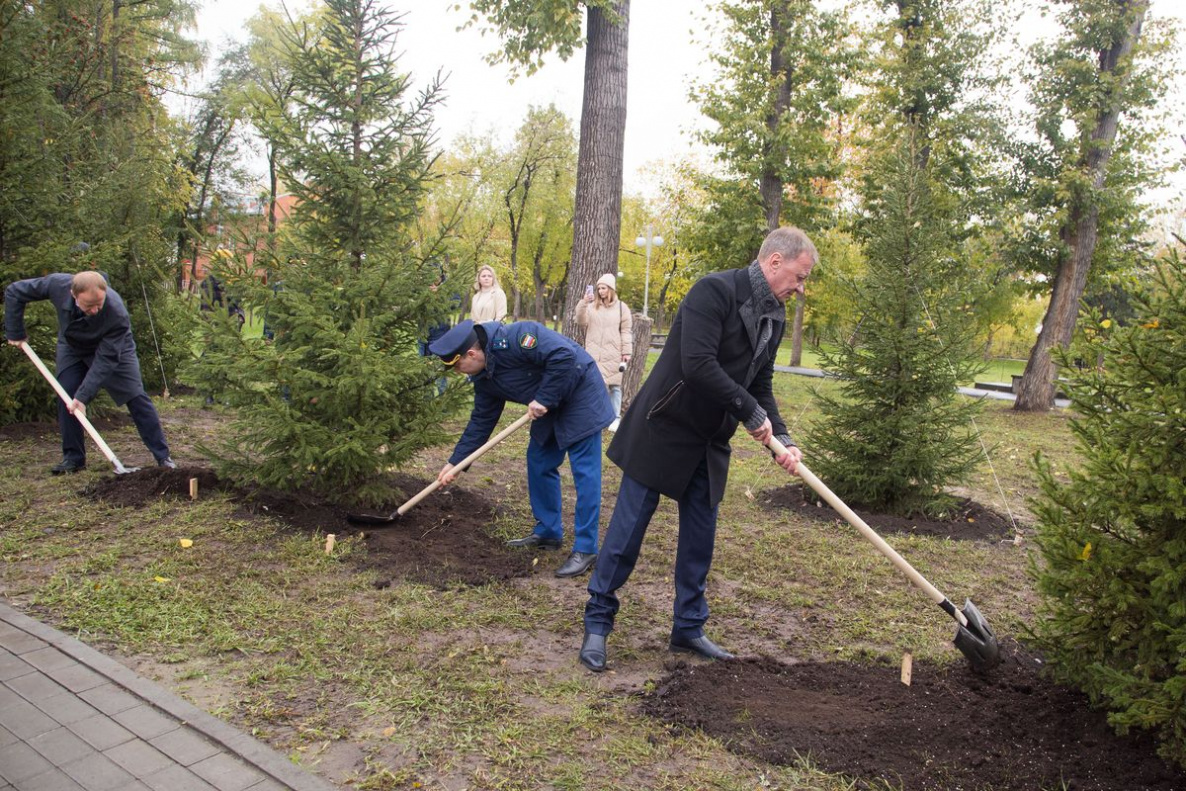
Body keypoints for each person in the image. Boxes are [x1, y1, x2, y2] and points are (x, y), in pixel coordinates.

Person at [578, 227, 817, 672]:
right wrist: (749, 412)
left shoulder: (774, 316)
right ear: (776, 262)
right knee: (627, 533)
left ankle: (688, 627)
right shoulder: (715, 291)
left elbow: (760, 384)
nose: (801, 289)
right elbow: (698, 364)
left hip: (710, 438)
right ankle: (598, 621)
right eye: (800, 277)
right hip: (664, 426)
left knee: (699, 540)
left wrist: (782, 438)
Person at [429, 318, 615, 578]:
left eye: (459, 366)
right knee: (539, 462)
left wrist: (544, 398)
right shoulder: (484, 378)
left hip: (579, 395)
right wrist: (456, 463)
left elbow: (565, 356)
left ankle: (586, 549)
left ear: (471, 353)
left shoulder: (520, 336)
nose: (460, 372)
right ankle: (548, 532)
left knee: (585, 473)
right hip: (546, 404)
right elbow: (481, 423)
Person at [4, 271, 176, 474]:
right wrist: (15, 332)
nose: (95, 310)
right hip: (73, 347)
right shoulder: (56, 285)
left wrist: (83, 396)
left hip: (113, 349)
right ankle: (73, 459)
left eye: (99, 304)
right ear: (73, 295)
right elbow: (15, 292)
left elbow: (105, 361)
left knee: (135, 395)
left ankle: (163, 457)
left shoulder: (116, 313)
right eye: (88, 306)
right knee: (66, 394)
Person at [576, 273, 633, 432]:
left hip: (613, 353)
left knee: (615, 387)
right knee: (593, 385)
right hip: (593, 353)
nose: (600, 291)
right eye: (599, 288)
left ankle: (615, 418)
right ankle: (594, 416)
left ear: (611, 289)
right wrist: (583, 303)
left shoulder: (622, 308)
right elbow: (580, 321)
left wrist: (626, 352)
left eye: (603, 288)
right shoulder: (592, 306)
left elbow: (626, 331)